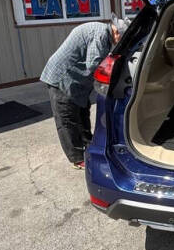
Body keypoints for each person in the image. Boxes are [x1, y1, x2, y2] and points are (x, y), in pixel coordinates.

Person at [40, 21, 118, 168]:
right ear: (117, 32)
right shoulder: (101, 35)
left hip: (76, 80)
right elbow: (94, 64)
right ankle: (77, 158)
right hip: (63, 78)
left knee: (82, 112)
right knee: (67, 118)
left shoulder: (103, 31)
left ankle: (88, 146)